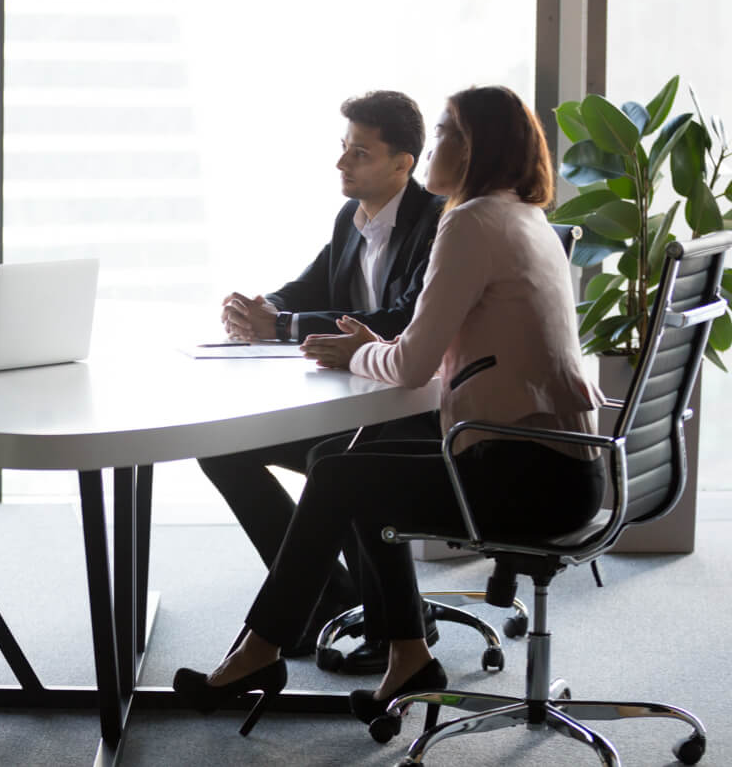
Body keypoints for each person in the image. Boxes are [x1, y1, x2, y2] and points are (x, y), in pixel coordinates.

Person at [173, 84, 606, 732]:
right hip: (559, 468)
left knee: (343, 474)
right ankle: (407, 655)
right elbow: (414, 348)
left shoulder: (469, 222)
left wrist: (355, 354)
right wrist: (365, 345)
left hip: (524, 477)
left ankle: (259, 651)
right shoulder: (519, 215)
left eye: (450, 133)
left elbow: (409, 363)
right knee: (346, 459)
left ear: (481, 149)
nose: (437, 145)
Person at [198, 90, 443, 669]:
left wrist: (281, 325)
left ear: (402, 163)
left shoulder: (437, 223)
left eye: (359, 153)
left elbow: (403, 319)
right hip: (359, 403)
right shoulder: (351, 218)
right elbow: (310, 289)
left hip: (416, 414)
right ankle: (325, 597)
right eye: (343, 149)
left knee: (337, 461)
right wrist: (261, 309)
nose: (342, 164)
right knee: (221, 448)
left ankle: (394, 627)